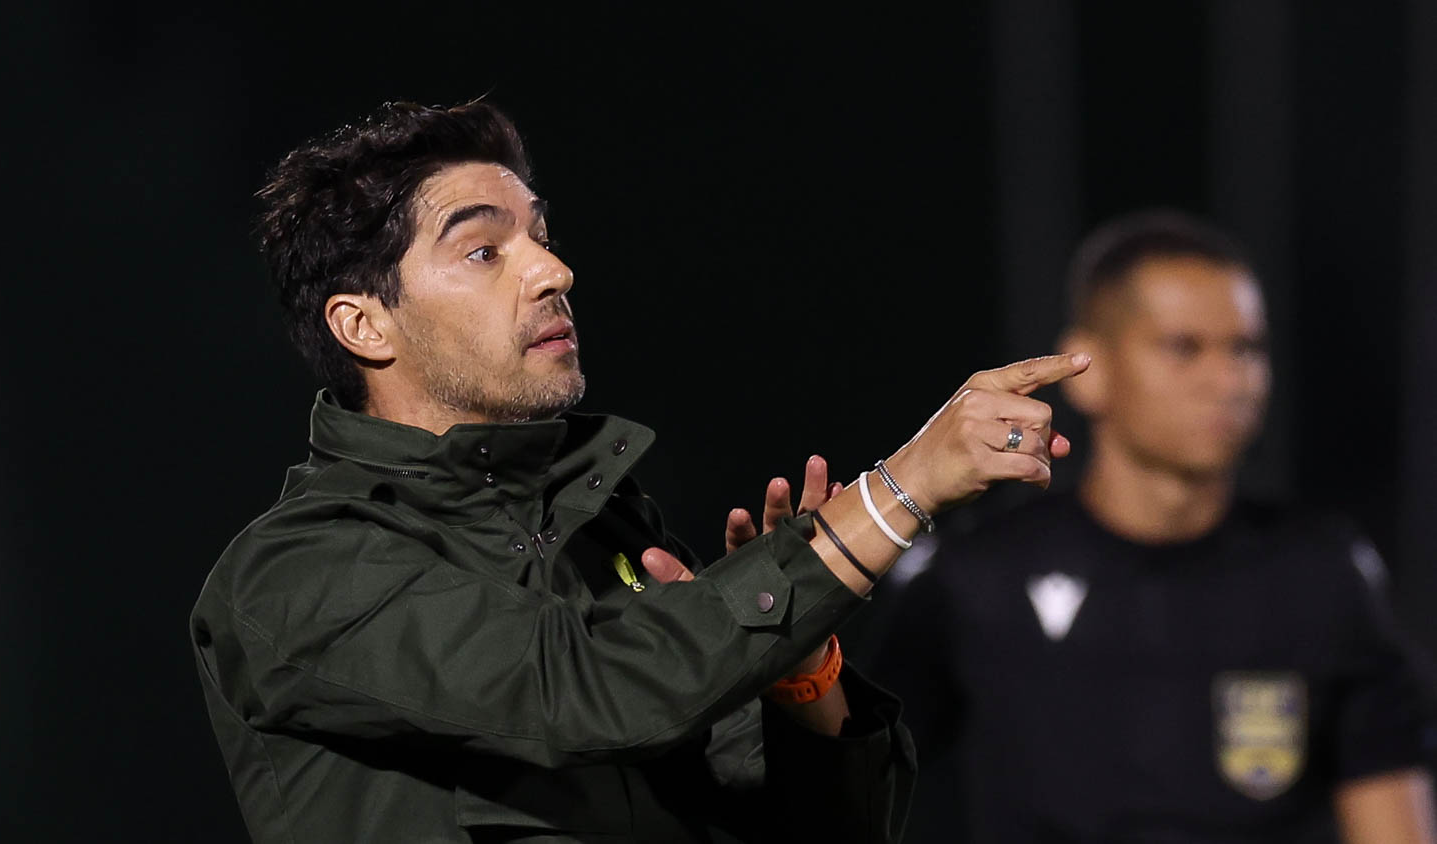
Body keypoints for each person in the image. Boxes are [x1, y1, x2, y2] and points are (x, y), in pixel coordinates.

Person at [188, 100, 1091, 844]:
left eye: (541, 235)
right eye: (482, 249)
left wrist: (800, 670)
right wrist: (894, 495)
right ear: (364, 326)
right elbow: (585, 694)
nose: (552, 270)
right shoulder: (297, 573)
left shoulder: (614, 534)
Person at [877, 210, 1437, 843]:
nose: (1229, 381)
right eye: (1184, 348)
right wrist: (800, 629)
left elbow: (1394, 818)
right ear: (1090, 372)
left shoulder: (1325, 573)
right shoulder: (977, 576)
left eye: (1247, 349)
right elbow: (842, 788)